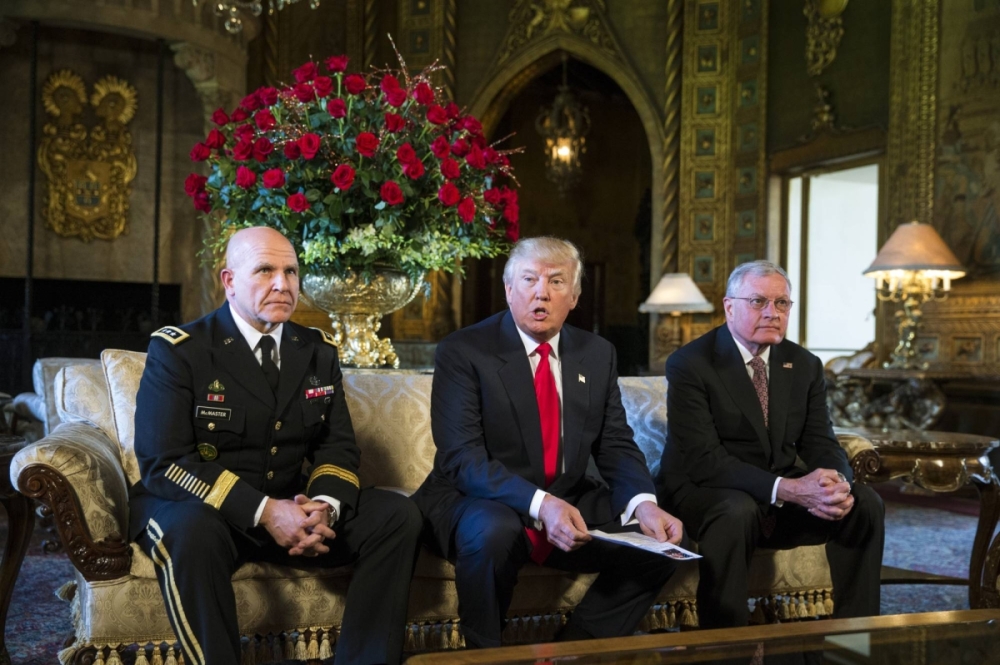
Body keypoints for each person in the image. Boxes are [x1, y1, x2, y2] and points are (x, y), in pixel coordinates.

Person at [129, 226, 422, 665]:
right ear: (229, 281)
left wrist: (323, 508)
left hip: (291, 504)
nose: (283, 284)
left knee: (397, 516)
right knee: (192, 532)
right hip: (206, 511)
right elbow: (164, 463)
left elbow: (337, 448)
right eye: (265, 270)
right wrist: (266, 511)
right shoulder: (181, 350)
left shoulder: (316, 350)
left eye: (291, 271)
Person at [411, 236, 684, 648]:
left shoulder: (597, 353)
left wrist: (643, 504)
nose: (541, 292)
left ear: (574, 296)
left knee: (663, 542)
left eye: (556, 281)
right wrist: (542, 505)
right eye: (529, 279)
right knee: (493, 532)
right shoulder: (464, 350)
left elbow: (615, 443)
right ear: (509, 289)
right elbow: (463, 460)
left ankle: (575, 650)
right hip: (480, 498)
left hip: (566, 496)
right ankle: (486, 656)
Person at [656, 260, 884, 629]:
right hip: (706, 492)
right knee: (736, 510)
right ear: (730, 307)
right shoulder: (691, 363)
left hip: (780, 498)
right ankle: (726, 644)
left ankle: (854, 639)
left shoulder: (804, 364)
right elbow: (704, 460)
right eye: (758, 301)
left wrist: (835, 484)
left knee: (865, 503)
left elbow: (820, 440)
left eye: (782, 303)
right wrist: (789, 489)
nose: (772, 313)